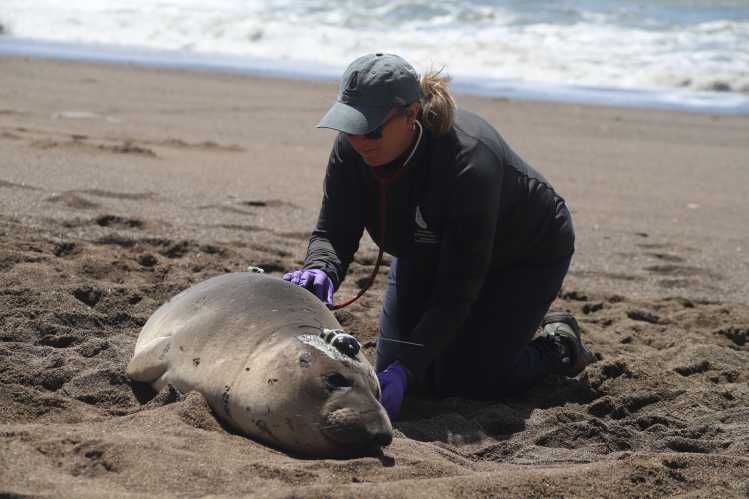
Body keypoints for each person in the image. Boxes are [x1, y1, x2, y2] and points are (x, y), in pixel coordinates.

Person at [283, 53, 595, 420]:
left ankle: (560, 345)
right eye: (349, 125)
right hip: (425, 249)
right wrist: (321, 269)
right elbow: (333, 231)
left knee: (471, 379)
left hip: (523, 253)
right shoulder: (352, 150)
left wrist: (409, 366)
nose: (358, 140)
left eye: (371, 129)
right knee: (402, 371)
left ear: (411, 114)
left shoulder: (469, 164)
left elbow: (457, 290)